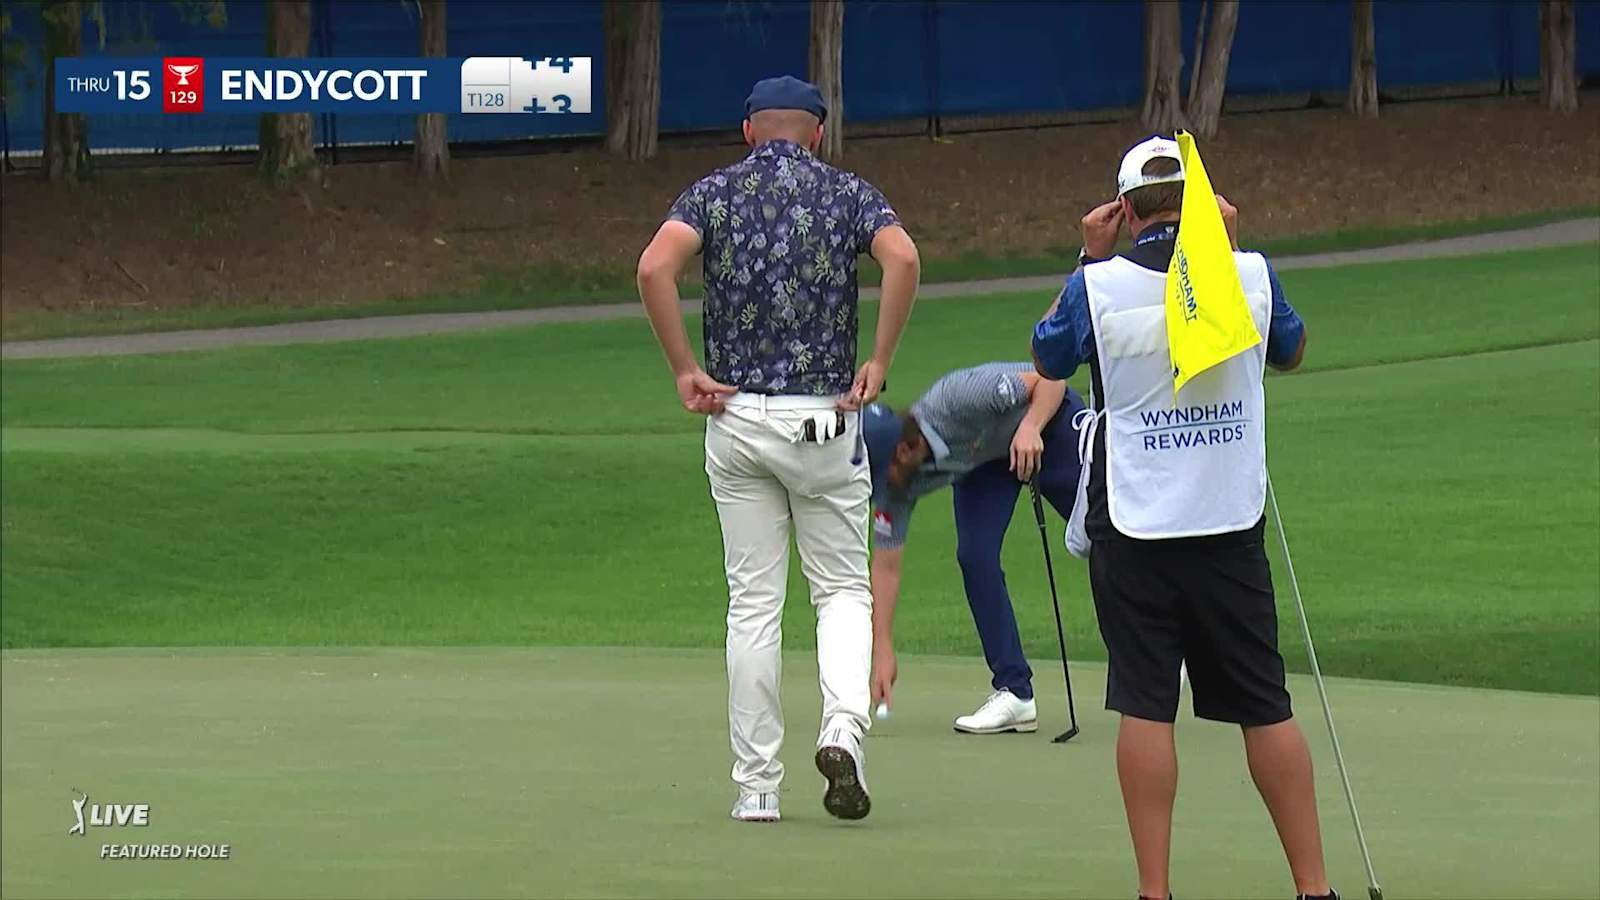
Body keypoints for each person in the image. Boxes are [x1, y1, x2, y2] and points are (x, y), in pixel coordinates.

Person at [1032, 136, 1334, 900]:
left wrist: (1086, 254)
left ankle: (1155, 892)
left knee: (1144, 703)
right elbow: (1292, 350)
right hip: (1228, 520)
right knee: (1265, 704)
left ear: (1125, 208)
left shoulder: (1098, 284)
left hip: (1136, 522)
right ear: (1201, 201)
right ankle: (1313, 888)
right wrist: (1225, 247)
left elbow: (1048, 354)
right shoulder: (1247, 273)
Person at [635, 75, 920, 824]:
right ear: (818, 132)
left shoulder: (713, 193)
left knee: (754, 604)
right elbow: (903, 259)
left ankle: (757, 786)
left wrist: (684, 369)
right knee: (841, 591)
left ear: (748, 131)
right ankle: (843, 732)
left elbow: (653, 267)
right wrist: (880, 359)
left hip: (736, 418)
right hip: (824, 418)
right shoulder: (849, 194)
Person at [859, 363, 1086, 734]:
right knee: (975, 558)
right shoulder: (896, 487)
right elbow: (885, 566)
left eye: (884, 475)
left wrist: (1030, 427)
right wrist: (881, 649)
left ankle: (1171, 642)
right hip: (986, 462)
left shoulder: (957, 398)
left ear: (905, 448)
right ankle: (1015, 692)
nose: (884, 490)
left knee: (1105, 533)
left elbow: (1051, 380)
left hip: (1047, 423)